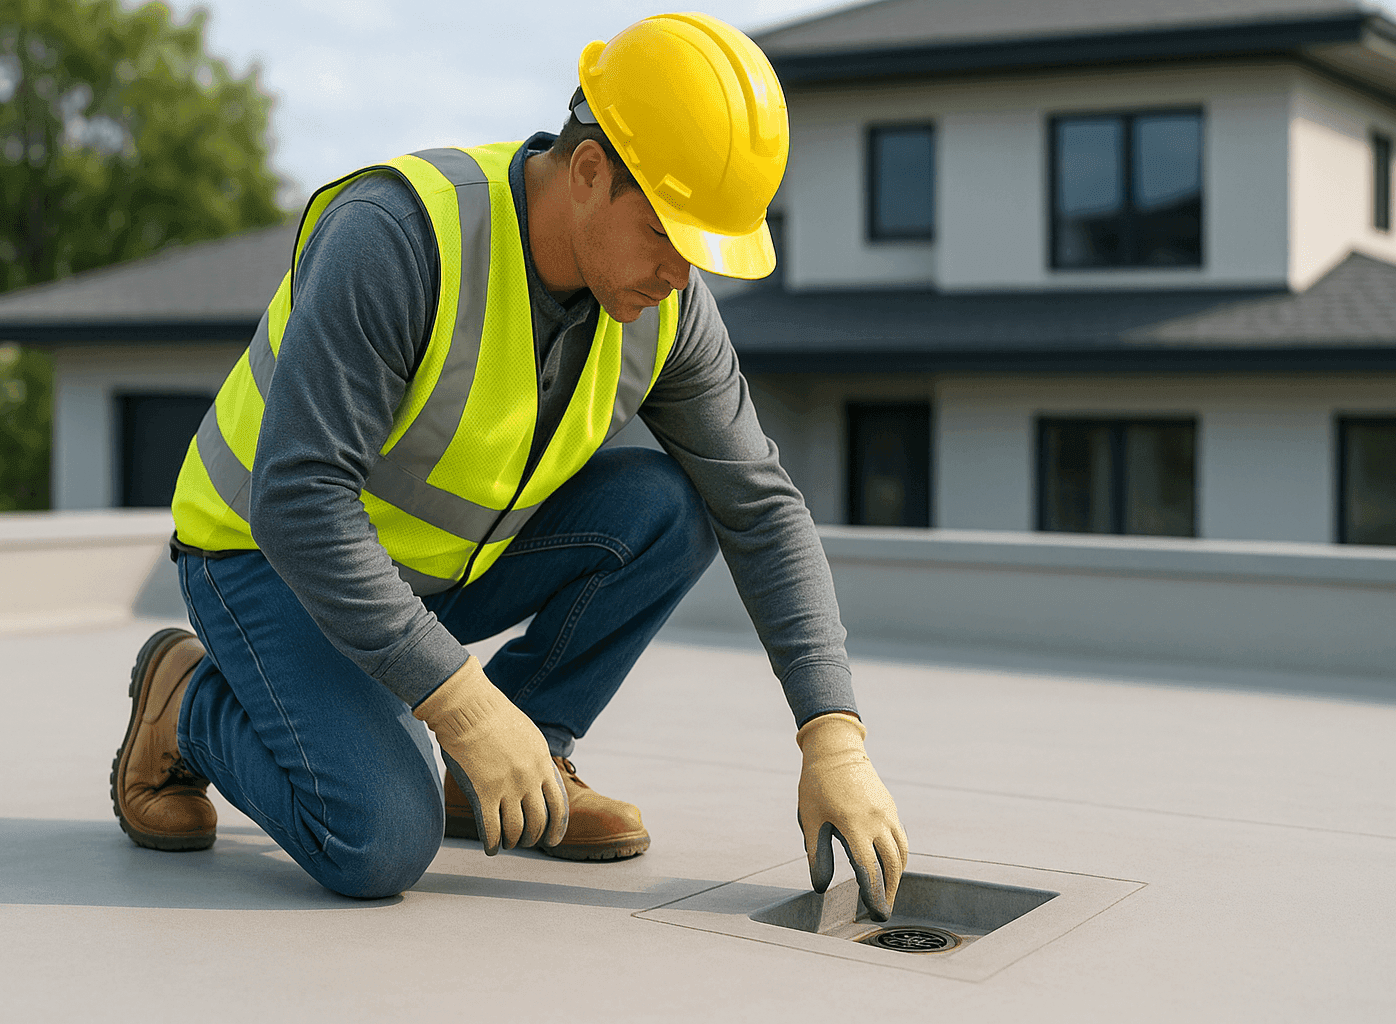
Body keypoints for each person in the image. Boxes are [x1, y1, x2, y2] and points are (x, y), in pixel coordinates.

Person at [110, 11, 909, 919]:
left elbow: (759, 508)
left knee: (672, 506)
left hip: (431, 575)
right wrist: (460, 702)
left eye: (701, 250)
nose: (683, 276)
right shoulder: (399, 240)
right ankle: (187, 705)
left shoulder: (666, 307)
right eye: (665, 234)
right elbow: (297, 499)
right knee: (378, 842)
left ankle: (513, 759)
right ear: (588, 173)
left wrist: (831, 734)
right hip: (263, 559)